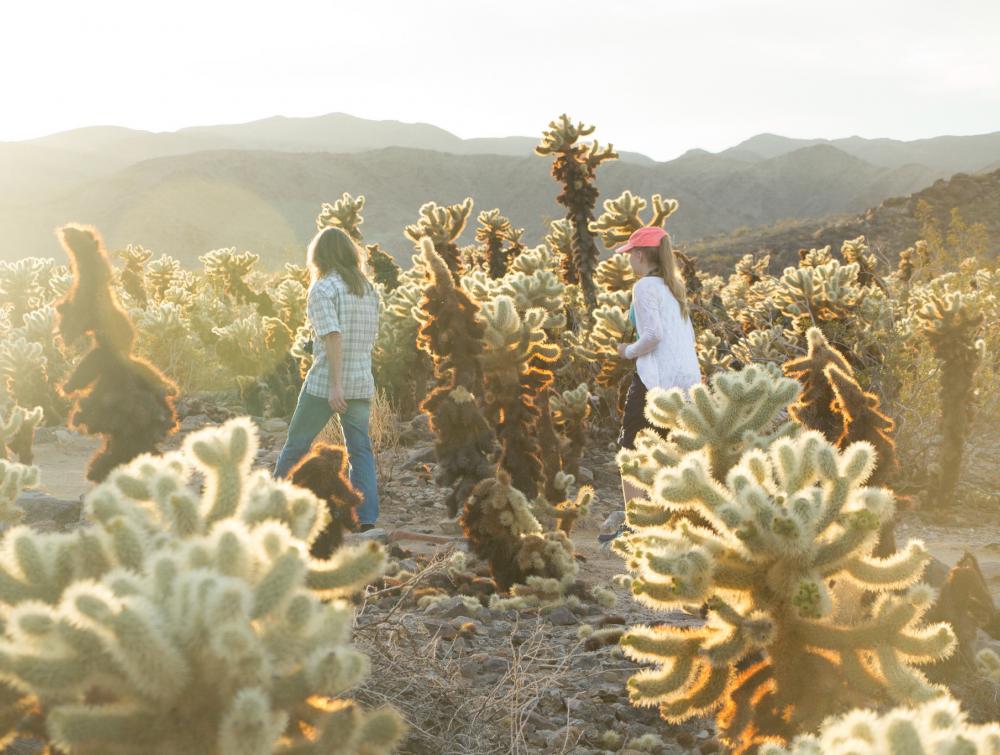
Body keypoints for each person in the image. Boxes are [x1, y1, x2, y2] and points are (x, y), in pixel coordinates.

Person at [273, 226, 381, 530]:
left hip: (325, 384)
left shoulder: (323, 289)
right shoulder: (367, 289)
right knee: (360, 449)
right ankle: (366, 518)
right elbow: (371, 338)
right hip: (361, 381)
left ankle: (272, 507)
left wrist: (335, 385)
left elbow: (333, 336)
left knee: (296, 444)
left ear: (319, 256)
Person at [601, 225, 701, 539]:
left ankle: (635, 525)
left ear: (641, 255)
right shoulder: (675, 287)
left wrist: (627, 351)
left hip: (655, 380)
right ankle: (674, 522)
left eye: (630, 253)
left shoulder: (645, 287)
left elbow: (654, 335)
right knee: (671, 449)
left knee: (631, 448)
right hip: (685, 381)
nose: (628, 259)